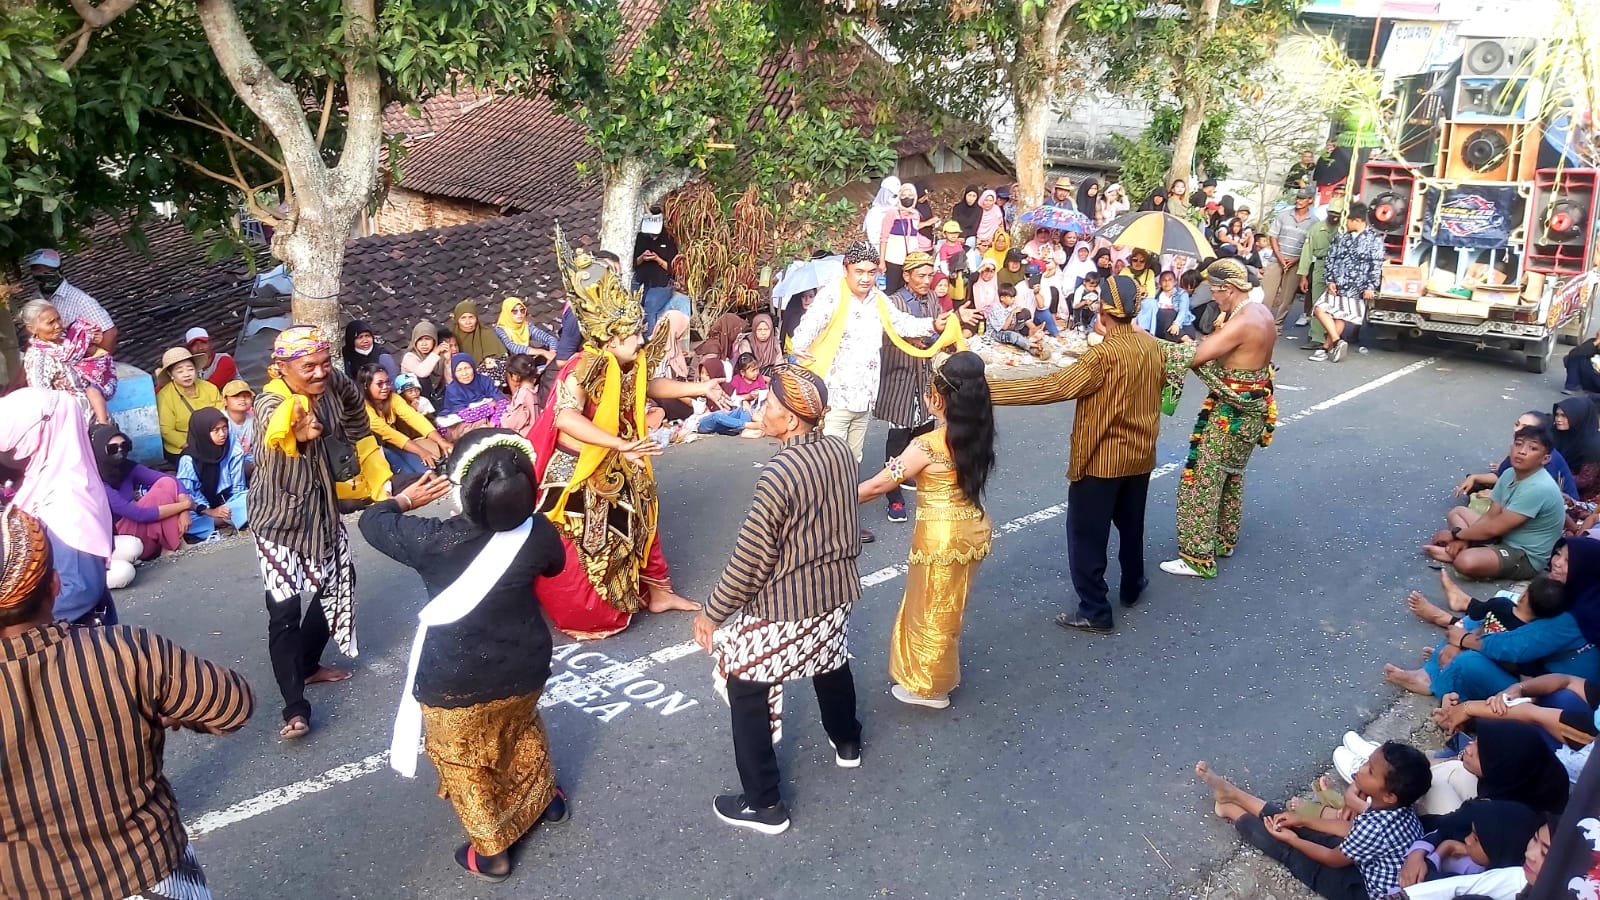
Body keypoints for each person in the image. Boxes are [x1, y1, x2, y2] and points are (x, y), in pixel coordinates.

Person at [0, 503, 254, 900]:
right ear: (54, 585)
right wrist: (170, 710)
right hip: (148, 873)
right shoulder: (125, 651)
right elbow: (233, 704)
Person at [361, 432, 570, 883]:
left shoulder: (434, 540)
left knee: (462, 758)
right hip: (527, 663)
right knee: (521, 726)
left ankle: (492, 851)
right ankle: (545, 801)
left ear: (462, 487)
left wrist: (403, 500)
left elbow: (372, 523)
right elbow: (554, 567)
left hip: (456, 677)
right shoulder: (540, 532)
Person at [692, 364, 863, 835]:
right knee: (830, 659)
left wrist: (712, 613)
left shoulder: (779, 472)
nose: (761, 411)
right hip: (838, 594)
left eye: (768, 405)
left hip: (789, 606)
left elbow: (751, 559)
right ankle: (847, 742)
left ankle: (764, 804)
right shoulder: (841, 451)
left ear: (790, 421)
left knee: (745, 684)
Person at [530, 238, 727, 639]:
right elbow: (566, 418)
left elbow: (650, 385)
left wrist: (699, 390)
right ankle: (588, 612)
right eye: (634, 335)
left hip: (624, 459)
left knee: (642, 522)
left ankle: (659, 592)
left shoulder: (629, 361)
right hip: (578, 470)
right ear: (611, 338)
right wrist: (619, 444)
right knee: (587, 545)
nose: (641, 340)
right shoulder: (581, 367)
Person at [990, 275, 1163, 633]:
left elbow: (1051, 386)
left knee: (1087, 535)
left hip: (1102, 460)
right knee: (1132, 526)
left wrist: (988, 391)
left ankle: (1095, 609)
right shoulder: (1151, 347)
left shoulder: (1103, 355)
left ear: (1102, 310)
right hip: (1141, 454)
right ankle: (1133, 586)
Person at [249, 325, 389, 739]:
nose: (319, 372)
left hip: (323, 511)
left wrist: (364, 447)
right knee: (284, 610)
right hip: (277, 520)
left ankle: (308, 665)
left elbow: (352, 404)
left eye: (324, 363)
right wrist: (295, 427)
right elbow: (275, 421)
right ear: (282, 368)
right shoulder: (272, 401)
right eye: (308, 366)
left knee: (341, 581)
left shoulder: (334, 383)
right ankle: (294, 707)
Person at [791, 241, 971, 545]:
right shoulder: (833, 296)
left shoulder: (877, 299)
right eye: (859, 271)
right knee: (830, 460)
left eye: (871, 272)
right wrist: (799, 349)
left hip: (864, 395)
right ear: (846, 269)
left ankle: (842, 522)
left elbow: (900, 323)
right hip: (835, 395)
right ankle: (817, 525)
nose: (865, 278)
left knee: (851, 460)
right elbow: (808, 328)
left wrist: (933, 323)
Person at [858, 351, 995, 708]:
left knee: (929, 609)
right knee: (949, 607)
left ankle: (930, 685)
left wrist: (830, 497)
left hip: (940, 537)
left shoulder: (926, 446)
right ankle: (936, 676)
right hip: (974, 529)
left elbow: (876, 486)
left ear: (940, 397)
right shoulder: (979, 429)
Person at [1160, 258, 1279, 580]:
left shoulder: (1242, 321)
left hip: (1233, 413)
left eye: (1215, 291)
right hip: (1253, 409)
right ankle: (1223, 539)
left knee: (1202, 479)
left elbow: (1195, 356)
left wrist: (1147, 345)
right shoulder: (1261, 312)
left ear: (1228, 289)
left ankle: (1197, 557)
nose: (1213, 298)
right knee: (1230, 475)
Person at [1196, 743, 1433, 900]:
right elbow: (1352, 829)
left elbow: (1333, 859)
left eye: (1370, 771)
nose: (1360, 770)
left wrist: (1294, 840)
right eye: (1366, 762)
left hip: (1361, 892)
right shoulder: (1397, 808)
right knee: (1296, 825)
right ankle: (1233, 794)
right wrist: (1304, 821)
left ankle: (1230, 809)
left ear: (1390, 795)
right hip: (1368, 863)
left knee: (1291, 852)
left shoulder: (1377, 826)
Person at [1386, 539, 1600, 701]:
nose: (1557, 563)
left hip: (1545, 694)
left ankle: (1437, 686)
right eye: (1558, 554)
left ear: (1586, 570)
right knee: (1479, 620)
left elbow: (1516, 647)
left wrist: (1464, 641)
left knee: (1467, 659)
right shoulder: (1575, 596)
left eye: (1568, 561)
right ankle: (1428, 673)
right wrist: (1464, 637)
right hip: (1531, 667)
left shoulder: (1577, 616)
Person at [0, 388, 118, 624]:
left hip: (68, 647)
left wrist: (19, 629)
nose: (9, 449)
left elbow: (79, 588)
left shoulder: (66, 501)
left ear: (46, 429)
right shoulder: (46, 479)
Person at [1426, 426, 1566, 580]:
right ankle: (1464, 547)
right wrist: (1463, 538)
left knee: (1465, 561)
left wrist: (1456, 534)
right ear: (1511, 448)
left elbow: (1494, 528)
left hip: (1525, 554)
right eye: (1518, 444)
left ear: (1544, 459)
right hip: (1504, 535)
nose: (1522, 451)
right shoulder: (1508, 474)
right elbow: (1491, 515)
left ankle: (1456, 554)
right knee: (1457, 512)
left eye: (1532, 448)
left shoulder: (1539, 487)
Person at [877, 252, 941, 523]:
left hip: (925, 375)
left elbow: (938, 330)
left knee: (925, 432)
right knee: (898, 437)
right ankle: (893, 494)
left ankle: (913, 473)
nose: (926, 281)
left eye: (930, 275)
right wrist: (911, 340)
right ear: (906, 276)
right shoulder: (893, 302)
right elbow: (885, 336)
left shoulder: (934, 299)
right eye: (921, 275)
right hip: (899, 377)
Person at [91, 424, 191, 561]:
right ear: (100, 451)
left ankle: (169, 547)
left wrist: (184, 512)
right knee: (158, 497)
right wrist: (184, 506)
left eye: (124, 446)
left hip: (141, 528)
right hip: (124, 537)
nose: (120, 451)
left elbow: (172, 481)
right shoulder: (98, 481)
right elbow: (138, 514)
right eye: (113, 448)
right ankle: (175, 544)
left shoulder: (127, 467)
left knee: (166, 484)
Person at [20, 298, 114, 425]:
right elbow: (42, 396)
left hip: (99, 417)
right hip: (73, 426)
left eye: (58, 319)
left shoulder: (71, 339)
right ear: (32, 329)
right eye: (50, 323)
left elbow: (94, 356)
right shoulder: (38, 357)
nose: (57, 325)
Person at [1313, 200, 1385, 363]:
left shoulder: (1374, 240)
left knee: (1340, 317)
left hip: (1356, 287)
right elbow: (1331, 258)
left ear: (1357, 221)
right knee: (1320, 309)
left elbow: (1376, 264)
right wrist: (1330, 279)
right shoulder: (1341, 237)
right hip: (1337, 283)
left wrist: (1370, 286)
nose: (1345, 223)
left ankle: (1326, 348)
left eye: (1348, 220)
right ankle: (1337, 341)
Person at [1455, 411, 1579, 505]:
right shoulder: (1518, 448)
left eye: (1525, 427)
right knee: (1475, 483)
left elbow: (1536, 495)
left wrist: (1496, 495)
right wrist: (1474, 477)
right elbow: (1500, 475)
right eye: (1517, 424)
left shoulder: (1545, 457)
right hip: (1521, 491)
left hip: (1556, 505)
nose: (1517, 429)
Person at [363, 363, 454, 474]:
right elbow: (388, 433)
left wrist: (441, 441)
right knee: (413, 473)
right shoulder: (364, 407)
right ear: (366, 386)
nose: (385, 387)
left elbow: (414, 418)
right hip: (374, 450)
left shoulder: (393, 398)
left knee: (426, 469)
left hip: (395, 444)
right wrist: (421, 451)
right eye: (380, 384)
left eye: (387, 382)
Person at [177, 407, 250, 542]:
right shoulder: (188, 459)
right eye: (215, 430)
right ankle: (228, 520)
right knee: (182, 519)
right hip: (200, 509)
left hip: (227, 503)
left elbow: (238, 487)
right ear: (202, 432)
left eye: (224, 428)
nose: (222, 434)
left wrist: (226, 507)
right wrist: (210, 511)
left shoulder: (231, 444)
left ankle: (223, 520)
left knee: (253, 497)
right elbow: (188, 496)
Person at [25, 247, 117, 352]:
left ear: (59, 271)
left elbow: (110, 332)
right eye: (38, 270)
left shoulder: (81, 300)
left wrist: (99, 361)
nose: (43, 274)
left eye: (48, 270)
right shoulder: (36, 298)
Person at [155, 345, 224, 466]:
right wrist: (191, 445)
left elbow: (221, 414)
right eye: (180, 371)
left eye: (190, 369)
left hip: (214, 440)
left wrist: (214, 438)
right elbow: (166, 430)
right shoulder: (165, 396)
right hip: (183, 447)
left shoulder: (210, 388)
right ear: (171, 375)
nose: (186, 374)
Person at [1266, 188, 1317, 325]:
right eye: (1298, 198)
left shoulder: (1314, 221)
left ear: (1310, 200)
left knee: (1287, 298)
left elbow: (1310, 247)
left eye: (1302, 198)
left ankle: (1277, 325)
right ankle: (1261, 323)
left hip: (1296, 262)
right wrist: (1280, 257)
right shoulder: (1283, 215)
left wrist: (1296, 259)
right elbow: (1273, 237)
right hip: (1276, 259)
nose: (1299, 201)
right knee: (1267, 294)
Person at [698, 353, 766, 437]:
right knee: (716, 415)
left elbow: (735, 401)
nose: (703, 377)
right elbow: (698, 410)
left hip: (725, 420)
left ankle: (741, 429)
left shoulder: (726, 387)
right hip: (705, 422)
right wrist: (702, 394)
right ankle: (747, 426)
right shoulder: (697, 389)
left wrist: (744, 402)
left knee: (743, 410)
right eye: (702, 373)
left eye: (707, 375)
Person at [633, 210, 680, 333]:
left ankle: (649, 338)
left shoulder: (669, 240)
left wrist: (657, 259)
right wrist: (642, 258)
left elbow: (673, 268)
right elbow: (633, 263)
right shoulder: (641, 238)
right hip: (641, 280)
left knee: (650, 305)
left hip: (661, 283)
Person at [879, 180, 924, 294]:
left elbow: (915, 237)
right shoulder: (893, 213)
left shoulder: (916, 214)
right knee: (890, 290)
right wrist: (882, 261)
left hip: (909, 260)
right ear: (899, 197)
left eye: (910, 195)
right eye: (903, 195)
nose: (907, 198)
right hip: (893, 259)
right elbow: (883, 238)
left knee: (905, 290)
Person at [1553, 397, 1600, 501]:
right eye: (1557, 415)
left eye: (1564, 416)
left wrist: (1550, 478)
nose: (1558, 419)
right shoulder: (1559, 433)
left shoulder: (1593, 444)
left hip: (1583, 496)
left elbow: (1585, 480)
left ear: (1578, 417)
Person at [438, 352, 507, 423]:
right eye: (459, 370)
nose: (464, 373)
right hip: (460, 424)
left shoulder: (484, 381)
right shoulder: (453, 390)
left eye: (467, 368)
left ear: (473, 367)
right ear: (454, 373)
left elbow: (502, 401)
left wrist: (494, 422)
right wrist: (490, 405)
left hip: (489, 420)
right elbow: (466, 415)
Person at [1136, 270, 1196, 343]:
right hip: (1163, 325)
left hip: (1181, 324)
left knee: (1171, 314)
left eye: (1170, 280)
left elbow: (1183, 311)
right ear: (1160, 283)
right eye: (1164, 280)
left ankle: (1186, 339)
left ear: (1175, 282)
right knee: (1164, 313)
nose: (1167, 282)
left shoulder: (1182, 293)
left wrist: (1176, 324)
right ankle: (1185, 340)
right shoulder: (1156, 294)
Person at [494, 296, 558, 362]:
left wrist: (552, 353)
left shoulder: (526, 326)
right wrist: (542, 352)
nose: (520, 314)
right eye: (514, 311)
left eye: (522, 310)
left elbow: (549, 338)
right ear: (507, 312)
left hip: (525, 363)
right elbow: (513, 347)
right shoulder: (500, 329)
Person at [452, 300, 508, 364]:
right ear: (457, 320)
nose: (468, 322)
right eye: (463, 318)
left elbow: (503, 359)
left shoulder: (487, 334)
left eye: (471, 317)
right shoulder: (451, 337)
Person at [402, 320, 447, 399]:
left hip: (437, 395)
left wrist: (449, 359)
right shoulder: (409, 357)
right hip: (414, 399)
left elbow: (450, 379)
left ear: (434, 340)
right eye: (420, 339)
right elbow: (422, 373)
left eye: (428, 339)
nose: (424, 343)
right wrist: (436, 351)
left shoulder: (440, 356)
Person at [223, 378, 257, 468]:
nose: (242, 399)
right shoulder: (220, 420)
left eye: (246, 396)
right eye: (236, 396)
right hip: (226, 460)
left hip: (249, 458)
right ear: (225, 401)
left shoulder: (255, 418)